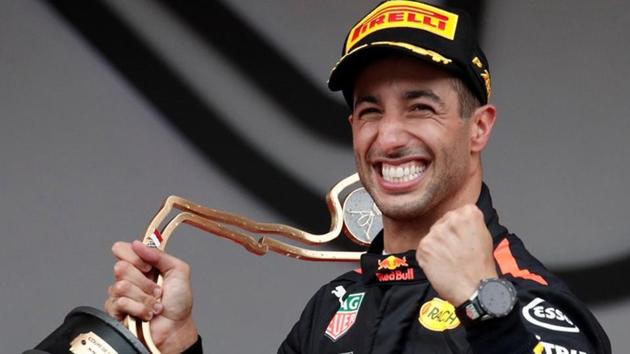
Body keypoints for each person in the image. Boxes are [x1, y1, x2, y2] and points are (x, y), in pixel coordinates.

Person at [104, 1, 611, 353]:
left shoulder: (523, 296)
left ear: (478, 129)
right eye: (371, 111)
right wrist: (179, 345)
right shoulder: (334, 307)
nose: (389, 138)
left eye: (420, 107)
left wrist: (483, 305)